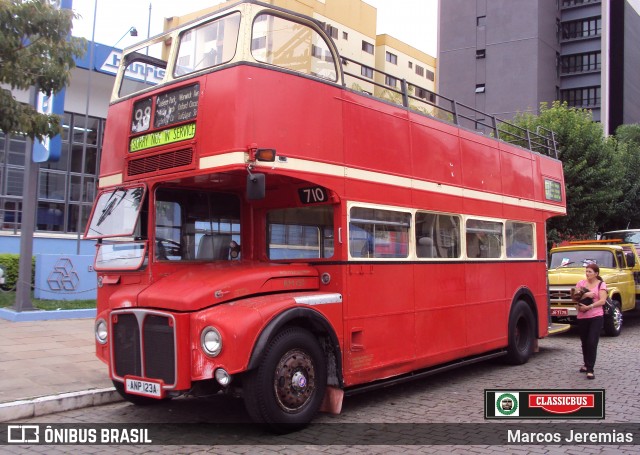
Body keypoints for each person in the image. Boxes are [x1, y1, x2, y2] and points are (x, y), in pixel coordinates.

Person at [574, 263, 607, 379]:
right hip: (582, 316)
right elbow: (575, 297)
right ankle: (586, 363)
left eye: (590, 272)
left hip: (596, 316)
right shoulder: (581, 283)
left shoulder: (601, 284)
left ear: (596, 274)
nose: (587, 274)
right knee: (584, 342)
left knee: (592, 342)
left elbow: (602, 301)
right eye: (586, 271)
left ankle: (590, 369)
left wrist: (590, 306)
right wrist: (585, 295)